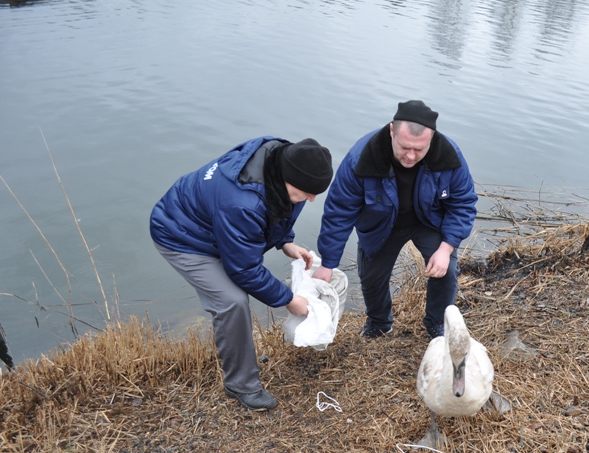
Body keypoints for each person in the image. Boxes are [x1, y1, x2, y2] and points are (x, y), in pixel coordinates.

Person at [150, 136, 333, 411]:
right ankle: (241, 384)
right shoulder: (241, 203)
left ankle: (240, 353)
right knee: (231, 301)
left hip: (215, 225)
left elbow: (279, 209)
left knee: (236, 289)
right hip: (180, 235)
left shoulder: (284, 164)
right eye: (307, 192)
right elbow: (245, 270)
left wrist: (286, 242)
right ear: (287, 175)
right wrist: (289, 300)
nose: (312, 198)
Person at [312, 100, 477, 340]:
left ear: (431, 138)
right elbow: (339, 212)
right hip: (381, 225)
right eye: (404, 147)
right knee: (371, 277)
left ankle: (437, 324)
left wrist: (447, 246)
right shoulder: (361, 158)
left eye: (420, 150)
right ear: (392, 131)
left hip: (428, 221)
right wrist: (328, 263)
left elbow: (463, 203)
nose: (410, 156)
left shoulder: (449, 156)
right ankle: (380, 324)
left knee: (447, 269)